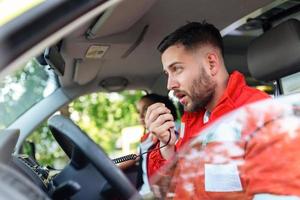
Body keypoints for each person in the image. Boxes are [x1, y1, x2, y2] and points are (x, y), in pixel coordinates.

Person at [145, 21, 270, 179]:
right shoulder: (192, 119)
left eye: (176, 69)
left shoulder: (260, 116)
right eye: (167, 74)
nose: (170, 84)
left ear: (211, 64)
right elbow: (172, 189)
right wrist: (167, 146)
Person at [117, 93, 178, 195]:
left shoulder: (174, 135)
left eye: (145, 110)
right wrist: (114, 167)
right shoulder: (147, 138)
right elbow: (136, 156)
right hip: (144, 192)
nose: (140, 116)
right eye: (138, 112)